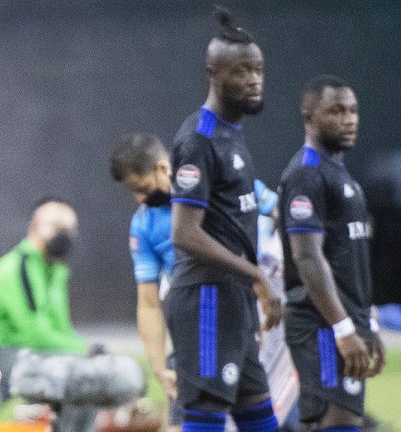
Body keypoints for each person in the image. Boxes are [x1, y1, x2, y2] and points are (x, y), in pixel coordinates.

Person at [109, 132, 283, 431]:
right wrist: (160, 368)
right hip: (195, 327)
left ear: (163, 168)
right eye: (132, 192)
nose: (140, 199)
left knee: (259, 416)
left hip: (242, 319)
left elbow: (284, 214)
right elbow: (148, 302)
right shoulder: (144, 224)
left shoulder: (222, 185)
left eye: (143, 188)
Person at [165, 7, 281, 432]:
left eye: (259, 69)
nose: (254, 79)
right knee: (207, 416)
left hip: (235, 300)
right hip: (205, 299)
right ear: (214, 72)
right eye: (242, 71)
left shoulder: (233, 133)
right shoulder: (199, 139)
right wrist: (258, 277)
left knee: (260, 418)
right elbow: (185, 233)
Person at [279, 75, 386, 431]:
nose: (349, 119)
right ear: (309, 116)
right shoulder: (307, 175)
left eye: (353, 111)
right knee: (332, 423)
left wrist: (366, 323)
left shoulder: (340, 175)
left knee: (341, 423)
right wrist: (343, 329)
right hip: (321, 326)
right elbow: (307, 258)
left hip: (344, 322)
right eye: (337, 111)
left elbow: (351, 264)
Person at [0, 197, 94, 431]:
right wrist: (83, 350)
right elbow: (33, 334)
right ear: (33, 228)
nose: (64, 234)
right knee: (80, 374)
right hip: (0, 355)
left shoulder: (56, 269)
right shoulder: (17, 267)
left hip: (31, 354)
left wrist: (86, 351)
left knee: (91, 377)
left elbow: (60, 328)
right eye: (56, 226)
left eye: (70, 229)